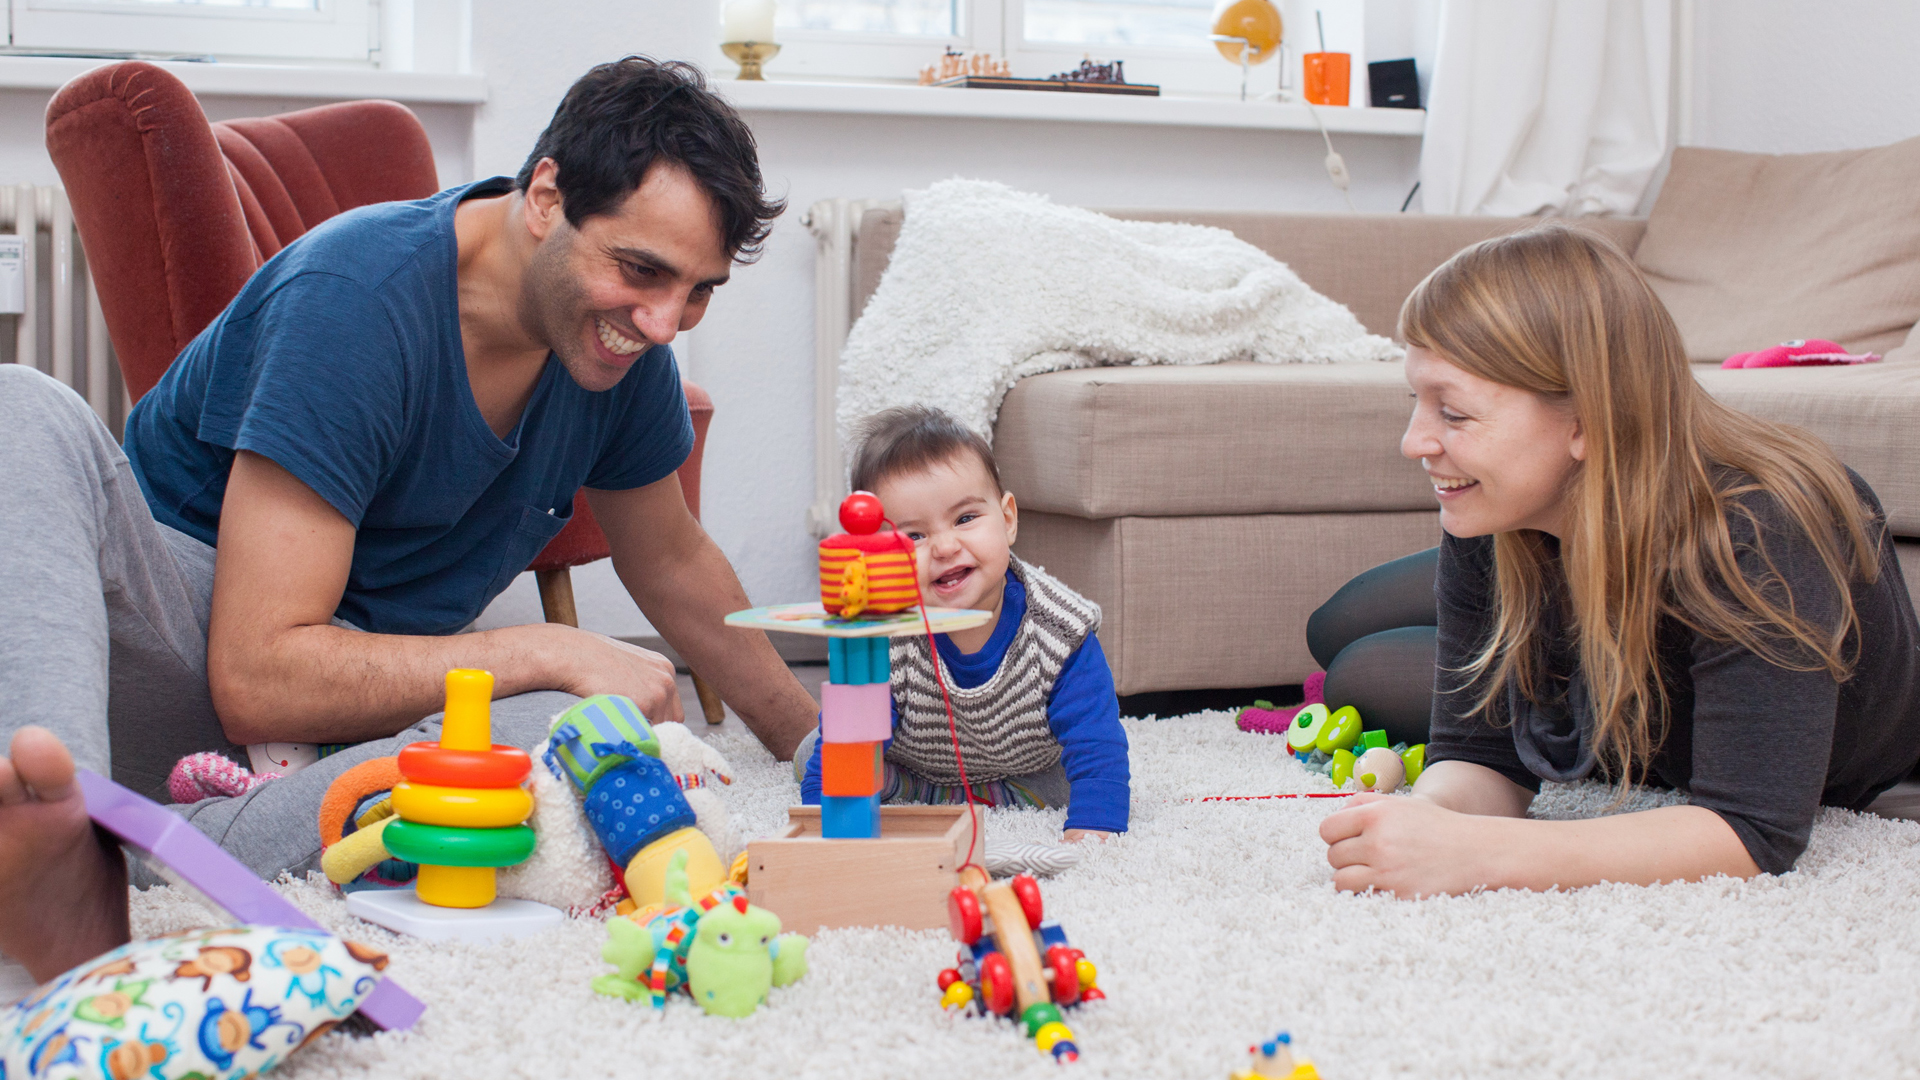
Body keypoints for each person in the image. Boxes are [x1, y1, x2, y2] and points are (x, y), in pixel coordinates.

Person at [0, 57, 822, 983]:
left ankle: (168, 841)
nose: (667, 321)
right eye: (641, 269)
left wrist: (814, 746)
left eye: (699, 288)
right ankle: (60, 837)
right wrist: (538, 648)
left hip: (344, 724)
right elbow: (255, 674)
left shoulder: (619, 353)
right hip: (163, 657)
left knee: (577, 727)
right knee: (19, 407)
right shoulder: (357, 301)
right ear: (547, 195)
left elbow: (672, 558)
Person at [1318, 224, 1920, 897]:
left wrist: (1486, 852)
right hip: (1600, 627)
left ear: (1585, 421)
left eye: (1453, 414)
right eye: (1416, 402)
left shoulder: (1761, 528)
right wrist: (1428, 820)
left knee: (1359, 669)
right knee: (1336, 623)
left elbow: (1754, 832)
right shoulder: (1492, 511)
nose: (1414, 442)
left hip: (1657, 696)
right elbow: (1477, 753)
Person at [797, 407, 1130, 840]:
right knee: (817, 752)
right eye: (913, 536)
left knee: (1076, 778)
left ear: (1007, 518)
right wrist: (821, 819)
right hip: (918, 759)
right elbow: (853, 731)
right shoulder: (887, 635)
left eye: (965, 519)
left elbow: (1095, 737)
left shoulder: (1060, 630)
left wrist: (1094, 827)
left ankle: (944, 793)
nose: (945, 546)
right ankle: (926, 788)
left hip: (1025, 764)